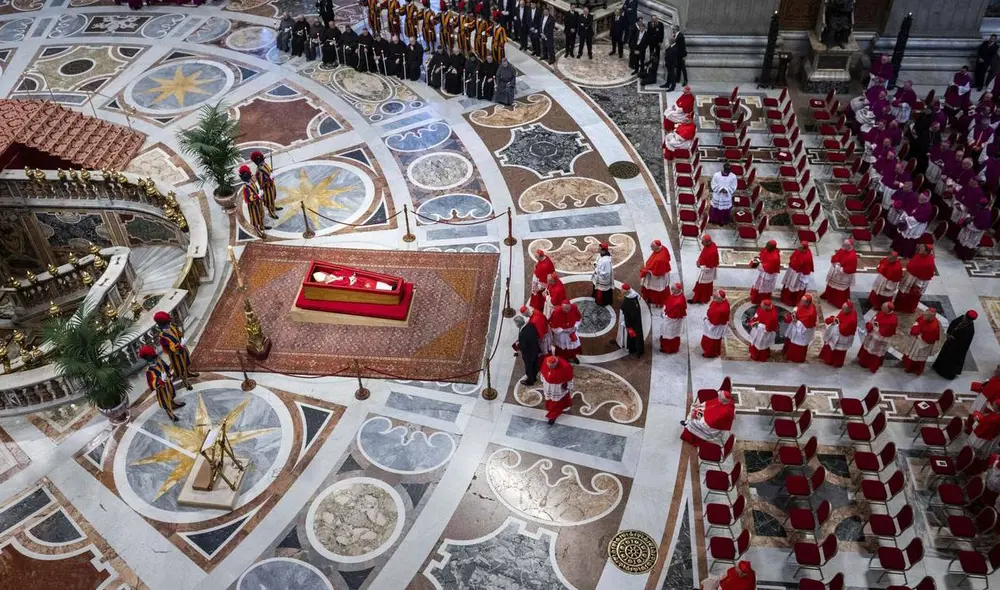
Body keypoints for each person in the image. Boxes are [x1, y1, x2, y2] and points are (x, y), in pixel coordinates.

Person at [139, 345, 185, 422]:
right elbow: (152, 384)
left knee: (171, 394)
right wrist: (160, 381)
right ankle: (170, 414)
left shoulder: (158, 360)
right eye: (149, 356)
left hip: (167, 382)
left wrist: (168, 373)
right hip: (161, 388)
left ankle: (173, 404)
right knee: (165, 401)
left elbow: (166, 367)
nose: (151, 357)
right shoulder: (149, 371)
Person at [154, 311, 198, 390]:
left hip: (182, 350)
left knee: (186, 362)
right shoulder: (162, 337)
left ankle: (188, 373)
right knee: (180, 369)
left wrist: (181, 337)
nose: (168, 325)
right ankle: (185, 382)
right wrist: (180, 345)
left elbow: (179, 334)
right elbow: (172, 348)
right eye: (167, 324)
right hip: (175, 355)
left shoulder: (172, 327)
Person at [933, 310, 977, 379]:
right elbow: (953, 323)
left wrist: (953, 340)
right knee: (943, 354)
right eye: (965, 317)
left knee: (950, 361)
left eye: (966, 319)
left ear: (970, 320)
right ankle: (937, 367)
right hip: (950, 342)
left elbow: (963, 343)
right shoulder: (962, 317)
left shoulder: (970, 330)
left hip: (956, 349)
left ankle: (945, 374)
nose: (964, 319)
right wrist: (949, 333)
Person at [858, 302, 898, 373]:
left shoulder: (893, 320)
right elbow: (876, 319)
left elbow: (885, 332)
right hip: (872, 335)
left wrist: (875, 327)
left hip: (880, 339)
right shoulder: (882, 312)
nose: (881, 307)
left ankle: (871, 365)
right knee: (867, 347)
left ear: (888, 310)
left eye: (883, 306)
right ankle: (863, 361)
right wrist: (871, 324)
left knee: (875, 352)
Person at [895, 243, 935, 313]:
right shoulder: (920, 254)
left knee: (910, 296)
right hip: (910, 277)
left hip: (915, 282)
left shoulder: (928, 263)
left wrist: (917, 286)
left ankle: (907, 309)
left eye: (922, 249)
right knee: (902, 293)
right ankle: (898, 306)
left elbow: (924, 276)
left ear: (926, 252)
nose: (919, 249)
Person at [821, 239, 858, 308]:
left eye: (845, 245)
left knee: (840, 289)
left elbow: (851, 268)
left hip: (843, 275)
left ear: (850, 246)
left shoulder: (852, 256)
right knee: (831, 285)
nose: (843, 247)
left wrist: (838, 267)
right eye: (843, 245)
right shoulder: (843, 249)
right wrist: (836, 262)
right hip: (837, 272)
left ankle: (838, 302)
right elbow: (836, 256)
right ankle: (829, 297)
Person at [902, 308, 941, 375]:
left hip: (922, 344)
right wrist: (915, 328)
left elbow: (929, 339)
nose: (923, 317)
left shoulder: (933, 328)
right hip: (916, 340)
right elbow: (918, 321)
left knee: (917, 356)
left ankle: (913, 369)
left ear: (931, 317)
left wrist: (919, 336)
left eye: (926, 316)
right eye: (924, 315)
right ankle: (905, 363)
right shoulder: (925, 316)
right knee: (910, 351)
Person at [820, 301, 858, 368]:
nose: (842, 310)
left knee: (838, 350)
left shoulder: (852, 320)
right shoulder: (845, 311)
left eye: (844, 309)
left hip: (843, 336)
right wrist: (834, 320)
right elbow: (840, 318)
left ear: (849, 309)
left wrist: (837, 323)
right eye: (842, 308)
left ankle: (835, 363)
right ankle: (827, 359)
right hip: (836, 332)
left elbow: (843, 329)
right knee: (829, 344)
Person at [783, 295, 817, 363]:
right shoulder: (803, 304)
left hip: (802, 331)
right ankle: (786, 351)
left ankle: (795, 358)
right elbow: (798, 307)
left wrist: (796, 321)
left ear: (807, 303)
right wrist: (795, 311)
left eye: (802, 301)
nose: (800, 302)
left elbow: (806, 326)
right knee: (790, 338)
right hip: (795, 327)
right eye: (801, 300)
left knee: (797, 344)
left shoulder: (810, 314)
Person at [540, 355, 574, 425]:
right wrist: (543, 379)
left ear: (556, 364)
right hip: (548, 385)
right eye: (549, 366)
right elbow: (543, 372)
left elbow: (569, 378)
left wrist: (569, 386)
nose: (550, 368)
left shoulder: (565, 366)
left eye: (552, 367)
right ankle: (559, 405)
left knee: (557, 401)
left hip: (557, 387)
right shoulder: (546, 359)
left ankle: (553, 415)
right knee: (550, 398)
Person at [780, 241, 813, 306]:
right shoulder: (798, 251)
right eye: (799, 247)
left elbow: (807, 269)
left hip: (799, 274)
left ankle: (793, 301)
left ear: (804, 249)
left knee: (795, 286)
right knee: (789, 283)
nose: (798, 248)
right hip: (792, 271)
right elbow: (792, 257)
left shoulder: (807, 256)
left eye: (800, 247)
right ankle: (784, 298)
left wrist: (803, 278)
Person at [615, 283, 644, 358]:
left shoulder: (629, 301)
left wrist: (627, 324)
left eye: (622, 289)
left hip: (629, 323)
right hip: (633, 321)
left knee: (628, 335)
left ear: (625, 291)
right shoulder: (632, 297)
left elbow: (629, 314)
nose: (621, 290)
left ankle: (629, 347)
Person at [639, 239, 671, 306]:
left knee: (655, 288)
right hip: (661, 270)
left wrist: (647, 270)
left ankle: (654, 300)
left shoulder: (659, 260)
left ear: (656, 247)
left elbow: (657, 273)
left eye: (652, 247)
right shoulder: (663, 247)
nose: (651, 249)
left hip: (656, 276)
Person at [516, 306, 543, 385]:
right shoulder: (531, 325)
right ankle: (534, 375)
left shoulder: (522, 334)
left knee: (528, 367)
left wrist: (518, 345)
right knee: (534, 364)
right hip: (535, 350)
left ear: (518, 324)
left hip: (528, 354)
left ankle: (530, 380)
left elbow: (523, 347)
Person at [239, 165, 268, 237]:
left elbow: (255, 187)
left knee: (261, 215)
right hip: (253, 206)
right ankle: (258, 231)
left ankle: (262, 226)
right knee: (256, 219)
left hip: (258, 203)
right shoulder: (245, 188)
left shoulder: (251, 182)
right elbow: (250, 198)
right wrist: (258, 195)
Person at [689, 234, 719, 304]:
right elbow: (703, 254)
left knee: (702, 286)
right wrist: (699, 261)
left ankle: (698, 299)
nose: (702, 243)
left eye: (703, 242)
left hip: (707, 273)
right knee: (702, 285)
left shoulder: (712, 252)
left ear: (708, 242)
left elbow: (709, 267)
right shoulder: (710, 244)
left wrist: (700, 266)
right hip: (704, 269)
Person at [251, 151, 280, 220]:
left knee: (273, 197)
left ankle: (273, 207)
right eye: (262, 159)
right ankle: (270, 212)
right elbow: (261, 183)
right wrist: (268, 179)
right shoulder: (258, 171)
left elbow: (269, 171)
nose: (263, 160)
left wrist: (271, 174)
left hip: (271, 185)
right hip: (266, 188)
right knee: (268, 200)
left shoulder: (264, 164)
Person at [659, 283, 687, 354]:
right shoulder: (675, 295)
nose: (671, 290)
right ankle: (664, 346)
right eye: (672, 288)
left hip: (672, 321)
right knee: (666, 333)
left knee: (670, 335)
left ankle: (669, 349)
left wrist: (665, 316)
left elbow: (674, 314)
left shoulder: (679, 302)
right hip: (668, 318)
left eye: (673, 289)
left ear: (678, 290)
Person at [701, 290, 729, 358]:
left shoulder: (721, 310)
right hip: (714, 323)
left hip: (715, 327)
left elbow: (714, 322)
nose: (713, 298)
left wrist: (706, 320)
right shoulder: (723, 301)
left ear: (720, 299)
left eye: (715, 297)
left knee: (711, 341)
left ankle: (710, 354)